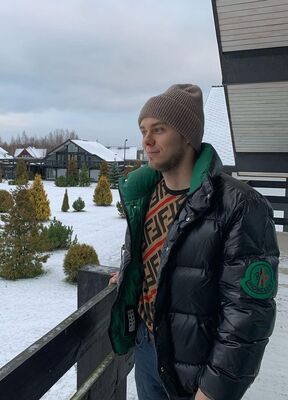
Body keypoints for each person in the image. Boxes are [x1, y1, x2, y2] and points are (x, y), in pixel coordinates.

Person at [108, 84, 279, 400]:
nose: (147, 141)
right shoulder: (144, 196)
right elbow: (158, 255)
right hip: (147, 349)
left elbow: (248, 313)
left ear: (187, 135)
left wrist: (214, 389)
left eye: (158, 129)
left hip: (198, 370)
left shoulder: (240, 205)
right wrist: (131, 274)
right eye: (143, 130)